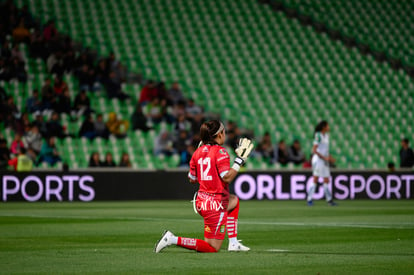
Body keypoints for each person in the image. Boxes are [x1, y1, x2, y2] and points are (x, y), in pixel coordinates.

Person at [155, 120, 254, 253]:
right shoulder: (220, 151)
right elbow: (227, 177)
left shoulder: (197, 152)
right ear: (218, 134)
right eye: (223, 131)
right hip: (215, 204)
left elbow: (192, 179)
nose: (225, 134)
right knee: (212, 248)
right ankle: (172, 239)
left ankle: (234, 243)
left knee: (234, 201)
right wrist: (239, 160)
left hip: (202, 202)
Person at [307, 120, 337, 206]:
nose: (329, 127)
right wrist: (325, 158)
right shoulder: (318, 135)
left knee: (326, 180)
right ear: (324, 127)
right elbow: (314, 150)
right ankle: (309, 199)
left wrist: (330, 157)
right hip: (318, 159)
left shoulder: (326, 136)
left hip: (324, 160)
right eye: (328, 126)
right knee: (315, 179)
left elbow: (325, 150)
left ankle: (329, 200)